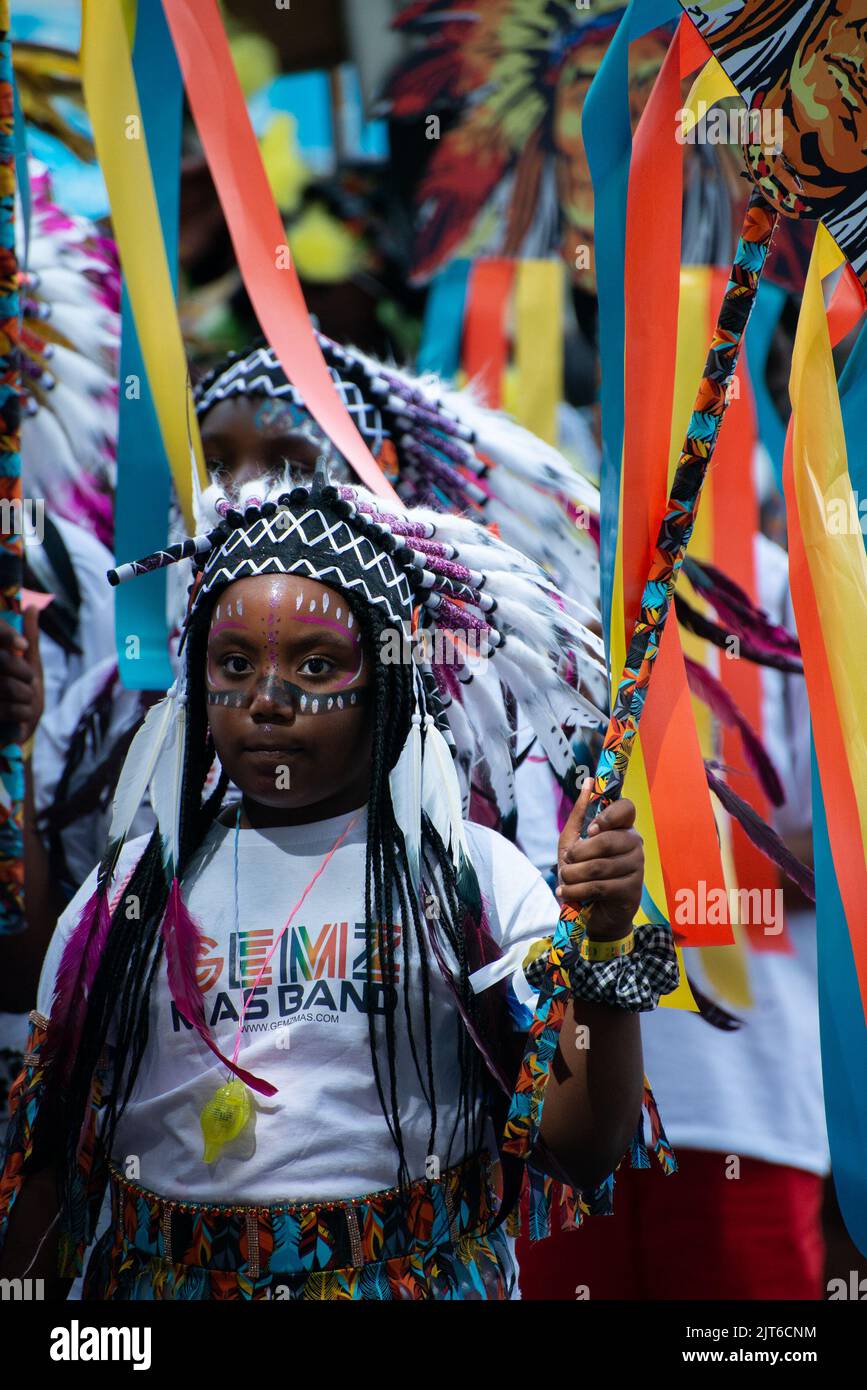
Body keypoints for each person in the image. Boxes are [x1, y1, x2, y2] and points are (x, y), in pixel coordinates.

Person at [0, 465, 678, 1300]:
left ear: (389, 685)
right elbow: (47, 1172)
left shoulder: (472, 876)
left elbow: (582, 1143)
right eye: (235, 664)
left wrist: (604, 935)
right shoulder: (126, 897)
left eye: (317, 668)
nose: (267, 700)